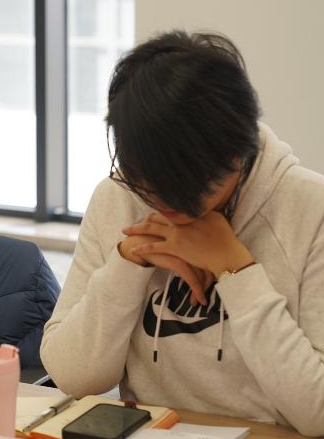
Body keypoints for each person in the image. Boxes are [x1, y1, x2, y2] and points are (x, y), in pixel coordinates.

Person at [39, 31, 324, 435]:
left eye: (189, 185)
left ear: (237, 154)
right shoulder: (118, 198)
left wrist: (235, 268)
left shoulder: (310, 211)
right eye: (145, 182)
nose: (163, 202)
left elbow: (318, 412)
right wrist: (127, 263)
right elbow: (72, 376)